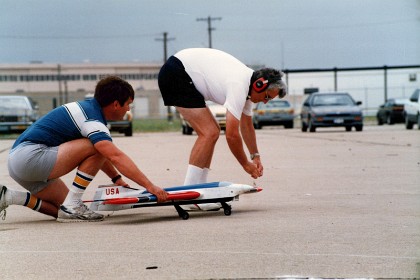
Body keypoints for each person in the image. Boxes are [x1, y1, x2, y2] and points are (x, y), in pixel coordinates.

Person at [0, 76, 168, 222]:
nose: (129, 109)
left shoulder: (87, 109)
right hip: (30, 157)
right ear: (116, 104)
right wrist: (150, 186)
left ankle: (11, 196)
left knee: (63, 211)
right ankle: (73, 204)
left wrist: (116, 179)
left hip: (18, 161)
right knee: (97, 148)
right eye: (128, 104)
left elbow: (101, 154)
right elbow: (115, 156)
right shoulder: (93, 120)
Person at [158, 48, 287, 188]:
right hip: (176, 73)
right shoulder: (239, 85)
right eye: (267, 97)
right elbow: (232, 135)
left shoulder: (249, 89)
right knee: (209, 132)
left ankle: (199, 188)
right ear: (259, 85)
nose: (265, 102)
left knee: (212, 131)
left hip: (180, 70)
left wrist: (255, 156)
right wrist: (245, 165)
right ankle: (189, 190)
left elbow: (247, 126)